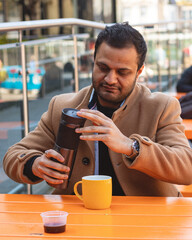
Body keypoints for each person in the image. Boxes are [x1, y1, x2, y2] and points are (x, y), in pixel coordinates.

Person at [3, 23, 192, 197]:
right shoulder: (62, 106)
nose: (110, 79)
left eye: (122, 72)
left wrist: (130, 147)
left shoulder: (161, 107)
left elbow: (187, 168)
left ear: (139, 71)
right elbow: (13, 155)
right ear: (93, 62)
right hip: (79, 218)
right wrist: (34, 165)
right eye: (103, 67)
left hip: (147, 222)